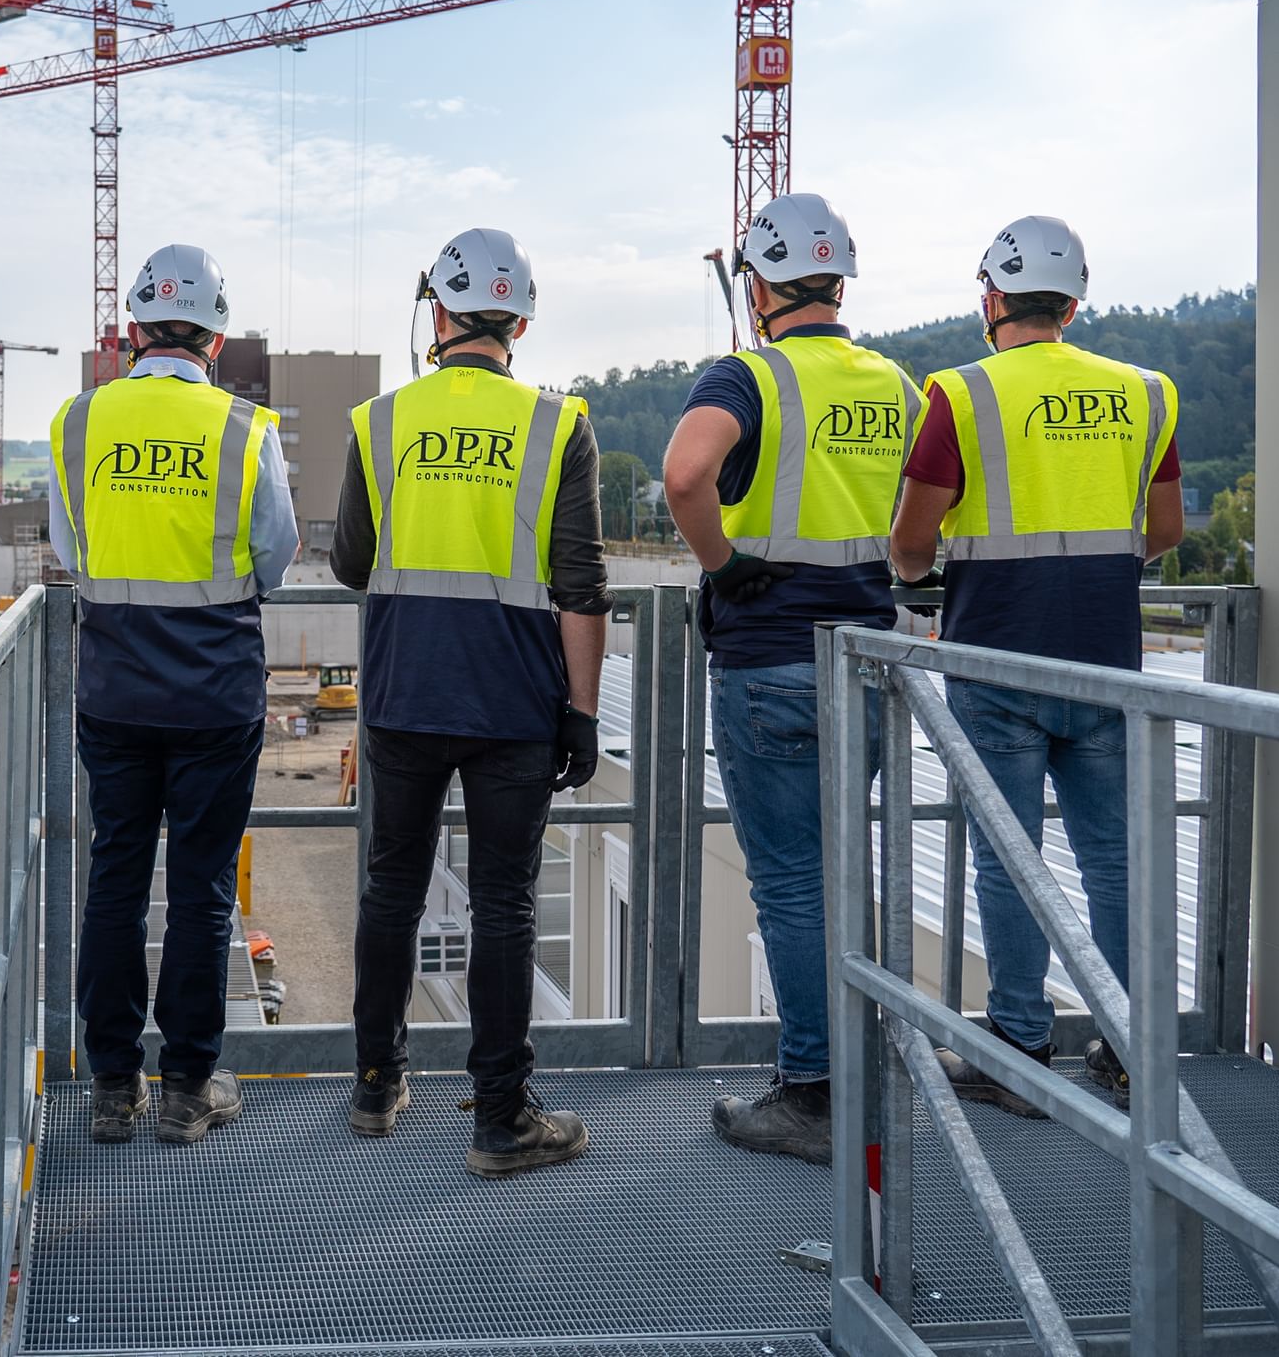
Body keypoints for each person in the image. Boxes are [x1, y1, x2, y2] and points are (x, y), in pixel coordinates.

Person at [890, 216, 1182, 1114]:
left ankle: (1017, 1046)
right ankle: (1133, 1053)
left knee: (1010, 860)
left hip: (997, 659)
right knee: (1116, 861)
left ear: (991, 299)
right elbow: (1163, 531)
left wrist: (915, 574)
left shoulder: (963, 393)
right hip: (1107, 662)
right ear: (1075, 299)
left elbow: (912, 538)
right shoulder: (1145, 391)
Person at [334, 227, 610, 1179]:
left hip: (407, 692)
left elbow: (350, 564)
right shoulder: (557, 423)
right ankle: (501, 1119)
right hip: (514, 703)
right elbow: (581, 581)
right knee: (503, 905)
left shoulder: (379, 421)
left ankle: (375, 1083)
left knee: (391, 888)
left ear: (437, 314)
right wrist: (582, 711)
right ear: (520, 322)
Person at [662, 192, 919, 1165]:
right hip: (866, 658)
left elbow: (687, 476)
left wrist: (723, 565)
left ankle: (812, 1092)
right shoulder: (895, 383)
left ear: (760, 285)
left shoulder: (748, 375)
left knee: (791, 886)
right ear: (840, 280)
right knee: (842, 874)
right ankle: (853, 1071)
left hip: (769, 657)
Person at [49, 245, 298, 1145]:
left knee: (115, 878)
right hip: (214, 694)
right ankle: (189, 1090)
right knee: (200, 891)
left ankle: (115, 1088)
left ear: (133, 331)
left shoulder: (80, 422)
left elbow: (73, 552)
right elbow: (277, 552)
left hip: (113, 686)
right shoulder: (244, 427)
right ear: (216, 338)